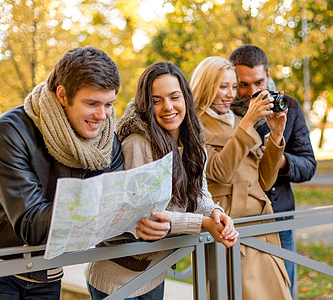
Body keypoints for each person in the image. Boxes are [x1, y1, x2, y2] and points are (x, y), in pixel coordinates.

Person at [0, 46, 125, 299]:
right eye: (92, 103)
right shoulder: (10, 131)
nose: (102, 115)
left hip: (45, 267)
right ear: (62, 95)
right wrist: (105, 204)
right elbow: (32, 224)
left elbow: (116, 208)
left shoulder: (106, 141)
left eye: (108, 104)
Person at [85, 61, 239, 300]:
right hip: (116, 277)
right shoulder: (138, 143)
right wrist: (203, 223)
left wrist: (215, 213)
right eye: (156, 100)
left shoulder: (193, 142)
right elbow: (147, 218)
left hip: (154, 271)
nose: (168, 107)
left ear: (186, 98)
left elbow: (200, 193)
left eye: (174, 97)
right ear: (146, 104)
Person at [190, 56, 291, 299]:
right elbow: (219, 173)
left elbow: (265, 182)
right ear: (206, 86)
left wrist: (276, 136)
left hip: (262, 224)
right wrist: (247, 122)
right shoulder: (194, 125)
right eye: (222, 86)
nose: (230, 94)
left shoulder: (236, 120)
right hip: (231, 225)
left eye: (233, 87)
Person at [229, 45, 317, 295]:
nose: (252, 92)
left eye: (258, 82)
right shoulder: (223, 109)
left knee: (284, 292)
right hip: (236, 221)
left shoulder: (289, 106)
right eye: (242, 85)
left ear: (268, 75)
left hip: (278, 219)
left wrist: (280, 160)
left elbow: (309, 165)